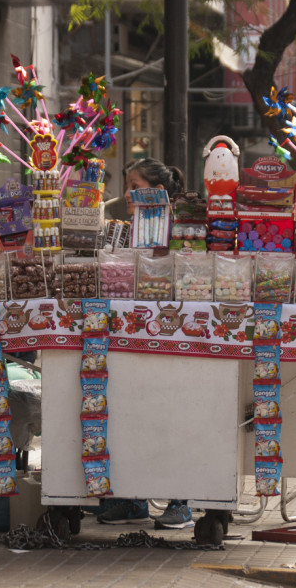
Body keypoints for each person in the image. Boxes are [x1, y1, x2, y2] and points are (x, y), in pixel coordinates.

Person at [93, 158, 194, 529]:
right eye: (128, 184)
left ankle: (180, 499)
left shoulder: (180, 228)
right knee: (128, 413)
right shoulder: (123, 230)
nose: (128, 194)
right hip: (128, 335)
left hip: (172, 336)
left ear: (159, 190)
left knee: (172, 416)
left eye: (135, 185)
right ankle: (130, 500)